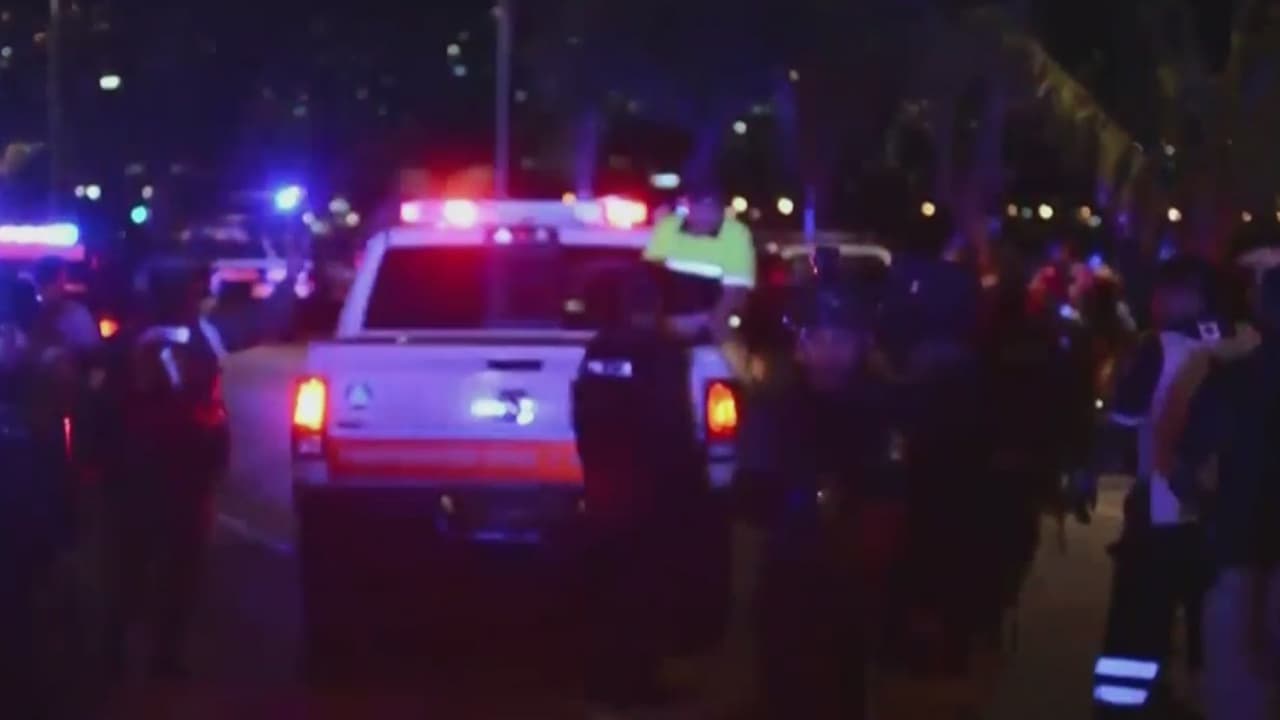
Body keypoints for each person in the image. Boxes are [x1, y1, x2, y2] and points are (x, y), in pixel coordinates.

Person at [98, 251, 299, 681]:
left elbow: (102, 405)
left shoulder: (133, 336)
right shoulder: (191, 335)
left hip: (146, 468)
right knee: (172, 566)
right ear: (183, 293)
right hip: (178, 467)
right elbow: (265, 320)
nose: (203, 294)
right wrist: (294, 275)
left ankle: (119, 655)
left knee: (137, 565)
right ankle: (155, 658)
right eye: (196, 288)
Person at [1096, 255, 1257, 714]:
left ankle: (1122, 706)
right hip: (1226, 516)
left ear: (1186, 294)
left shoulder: (1160, 347)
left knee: (1138, 620)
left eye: (1163, 292)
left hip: (1160, 507)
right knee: (1213, 623)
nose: (1156, 302)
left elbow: (1123, 421)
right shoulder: (1249, 344)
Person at [744, 282, 909, 719]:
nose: (829, 350)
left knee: (846, 669)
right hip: (790, 559)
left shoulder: (880, 404)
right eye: (818, 337)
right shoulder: (776, 403)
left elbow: (892, 481)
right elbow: (753, 489)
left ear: (860, 345)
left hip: (852, 563)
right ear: (800, 345)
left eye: (841, 338)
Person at [1170, 265, 1280, 720]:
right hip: (1245, 554)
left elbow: (1189, 465)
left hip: (1236, 553)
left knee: (1239, 691)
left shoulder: (1232, 378)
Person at [642, 186, 756, 380]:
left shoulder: (736, 234)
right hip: (668, 319)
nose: (704, 214)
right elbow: (651, 277)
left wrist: (711, 321)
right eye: (699, 206)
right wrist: (662, 320)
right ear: (689, 207)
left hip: (717, 316)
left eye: (711, 207)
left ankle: (745, 383)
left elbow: (735, 292)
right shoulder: (668, 227)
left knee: (730, 349)